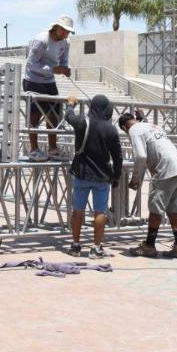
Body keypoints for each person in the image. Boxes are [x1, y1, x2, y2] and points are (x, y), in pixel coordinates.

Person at [119, 112, 177, 260]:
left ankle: (149, 246)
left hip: (164, 169)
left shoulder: (133, 130)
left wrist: (135, 179)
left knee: (155, 209)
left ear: (124, 127)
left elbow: (141, 156)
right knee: (173, 209)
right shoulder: (151, 126)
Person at [65, 94, 122, 258]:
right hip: (102, 176)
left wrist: (70, 104)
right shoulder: (111, 129)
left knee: (78, 210)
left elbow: (69, 117)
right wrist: (116, 176)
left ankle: (76, 246)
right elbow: (118, 156)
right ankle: (96, 248)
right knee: (100, 212)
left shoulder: (83, 122)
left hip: (81, 173)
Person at [24, 17, 75, 162]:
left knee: (54, 114)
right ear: (57, 28)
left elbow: (64, 59)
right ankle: (34, 149)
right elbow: (31, 65)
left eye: (69, 32)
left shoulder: (66, 42)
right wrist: (53, 70)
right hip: (33, 79)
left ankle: (53, 149)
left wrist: (65, 68)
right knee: (34, 115)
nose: (67, 34)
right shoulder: (41, 40)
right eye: (65, 30)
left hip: (49, 80)